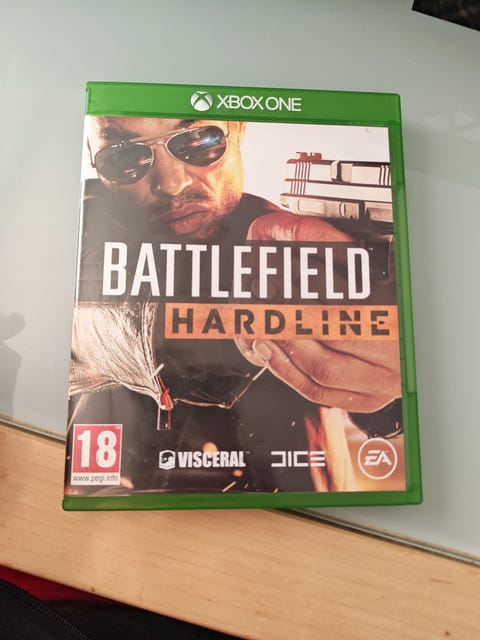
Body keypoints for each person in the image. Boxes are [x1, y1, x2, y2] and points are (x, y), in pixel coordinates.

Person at [66, 116, 402, 496]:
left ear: (238, 127)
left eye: (198, 141)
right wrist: (261, 324)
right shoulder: (85, 229)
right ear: (93, 156)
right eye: (124, 156)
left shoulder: (283, 229)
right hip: (130, 501)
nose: (171, 184)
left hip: (305, 507)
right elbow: (107, 322)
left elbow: (382, 415)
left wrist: (391, 364)